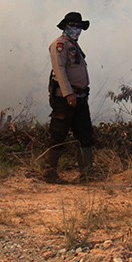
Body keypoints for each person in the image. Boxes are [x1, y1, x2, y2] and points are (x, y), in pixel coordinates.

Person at [43, 12, 93, 183]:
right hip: (65, 98)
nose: (77, 30)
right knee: (58, 133)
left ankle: (86, 174)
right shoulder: (60, 45)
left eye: (79, 27)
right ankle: (49, 172)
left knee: (85, 134)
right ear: (65, 26)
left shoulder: (74, 45)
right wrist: (69, 93)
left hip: (80, 96)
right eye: (73, 26)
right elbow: (60, 70)